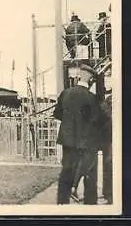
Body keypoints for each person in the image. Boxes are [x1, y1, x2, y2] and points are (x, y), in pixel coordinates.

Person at [53, 64, 104, 205]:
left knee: (67, 170)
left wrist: (70, 123)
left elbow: (57, 114)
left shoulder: (65, 93)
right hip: (85, 142)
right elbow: (98, 119)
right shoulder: (92, 98)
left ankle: (62, 202)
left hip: (67, 140)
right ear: (91, 80)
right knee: (89, 173)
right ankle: (90, 203)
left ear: (79, 76)